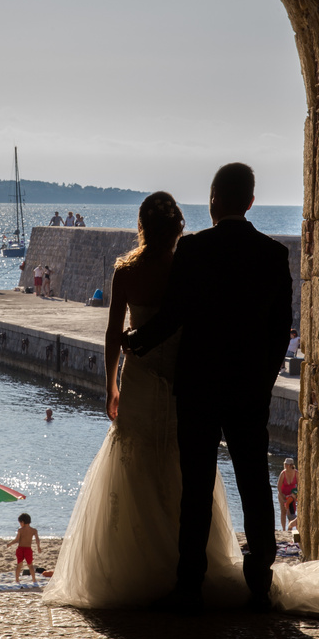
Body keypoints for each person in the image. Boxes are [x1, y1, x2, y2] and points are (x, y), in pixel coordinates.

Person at [42, 192, 246, 610]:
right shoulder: (185, 267)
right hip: (180, 381)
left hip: (137, 379)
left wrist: (110, 385)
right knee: (179, 460)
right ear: (177, 228)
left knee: (134, 463)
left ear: (142, 225)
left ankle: (133, 566)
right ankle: (185, 565)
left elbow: (114, 334)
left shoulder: (125, 271)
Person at [124, 163, 292, 613]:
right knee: (255, 484)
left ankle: (189, 584)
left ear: (214, 199)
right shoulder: (273, 255)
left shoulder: (195, 250)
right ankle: (259, 578)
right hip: (249, 391)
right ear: (251, 202)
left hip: (198, 386)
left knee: (196, 487)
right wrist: (264, 378)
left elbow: (173, 314)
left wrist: (136, 344)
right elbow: (281, 331)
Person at [9, 513, 41, 583]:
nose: (20, 524)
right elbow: (37, 539)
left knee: (19, 565)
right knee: (30, 566)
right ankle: (34, 579)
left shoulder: (20, 530)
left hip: (20, 549)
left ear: (22, 522)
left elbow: (17, 539)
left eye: (20, 523)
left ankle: (17, 580)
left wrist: (10, 543)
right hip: (28, 549)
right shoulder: (34, 530)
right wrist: (38, 547)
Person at [277, 457, 299, 531]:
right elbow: (278, 486)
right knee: (283, 511)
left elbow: (299, 486)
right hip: (282, 493)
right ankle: (283, 529)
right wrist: (282, 496)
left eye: (285, 464)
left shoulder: (296, 473)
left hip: (292, 495)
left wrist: (295, 495)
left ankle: (290, 528)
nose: (284, 465)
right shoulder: (283, 473)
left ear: (289, 465)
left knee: (292, 511)